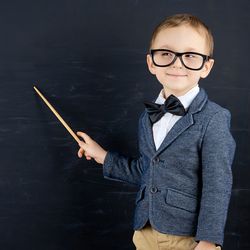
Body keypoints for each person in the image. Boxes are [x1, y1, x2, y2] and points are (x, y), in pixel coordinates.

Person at [76, 13, 236, 250]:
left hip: (188, 238)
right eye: (166, 54)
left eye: (190, 56)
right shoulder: (147, 116)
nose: (177, 63)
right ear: (151, 62)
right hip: (145, 231)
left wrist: (209, 240)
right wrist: (102, 156)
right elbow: (147, 171)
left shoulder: (214, 118)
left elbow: (217, 185)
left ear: (206, 66)